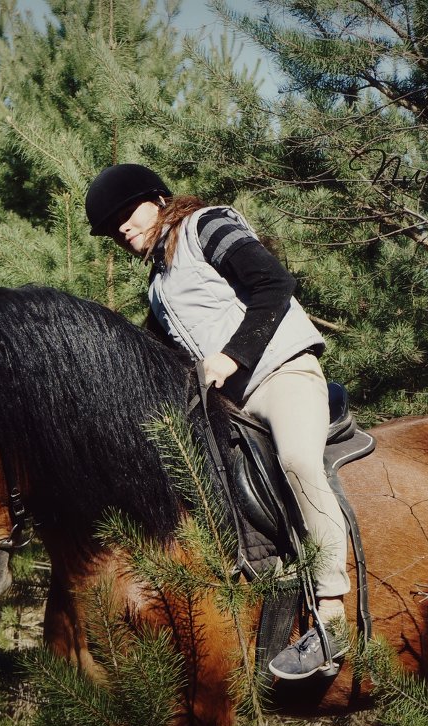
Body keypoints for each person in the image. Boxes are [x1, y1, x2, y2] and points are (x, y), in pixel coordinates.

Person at [85, 163, 350, 680]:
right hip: (229, 404)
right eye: (110, 227)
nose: (120, 228)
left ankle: (333, 614)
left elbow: (274, 283)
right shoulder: (158, 288)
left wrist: (232, 355)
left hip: (282, 374)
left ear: (158, 199)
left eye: (125, 214)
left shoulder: (207, 225)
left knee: (298, 460)